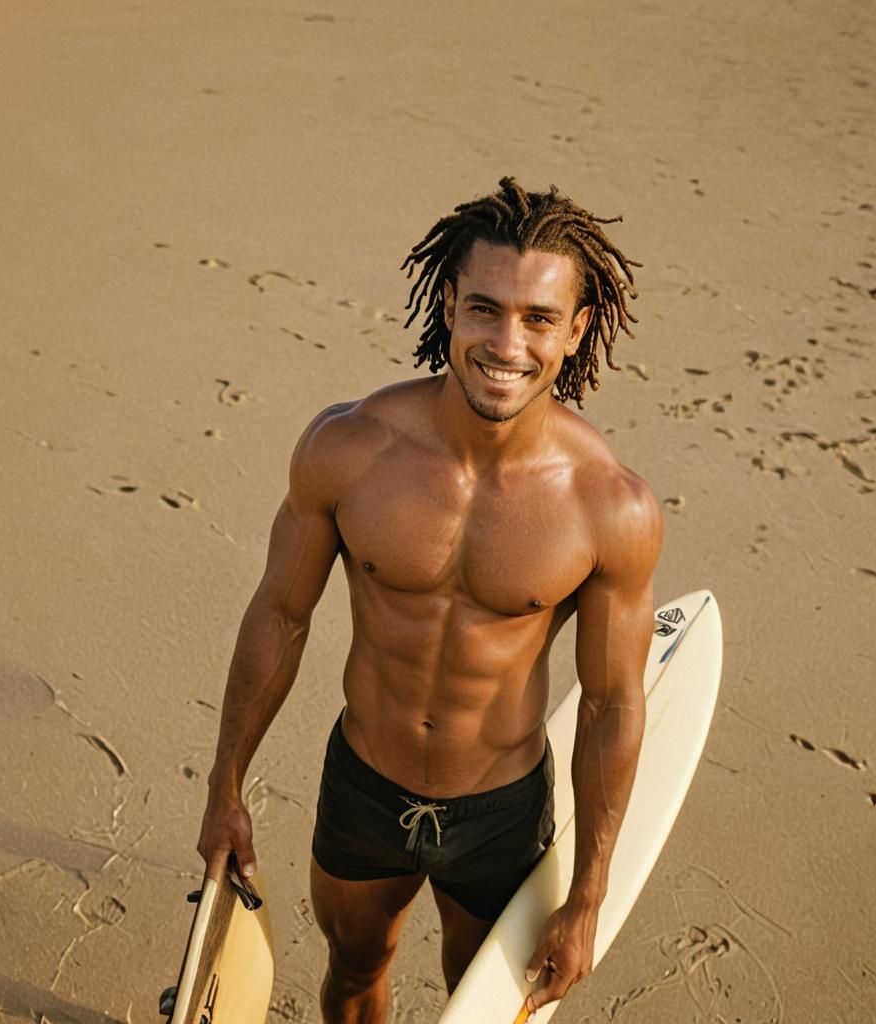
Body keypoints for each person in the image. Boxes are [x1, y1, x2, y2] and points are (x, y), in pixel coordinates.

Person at [196, 177, 662, 1022]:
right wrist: (225, 786)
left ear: (577, 329)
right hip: (364, 787)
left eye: (538, 319)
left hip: (502, 809)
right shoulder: (350, 449)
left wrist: (589, 891)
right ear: (447, 304)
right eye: (485, 308)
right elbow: (280, 615)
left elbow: (612, 700)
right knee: (351, 973)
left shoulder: (608, 506)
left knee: (481, 1004)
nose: (507, 343)